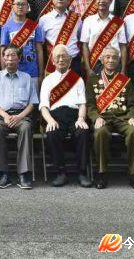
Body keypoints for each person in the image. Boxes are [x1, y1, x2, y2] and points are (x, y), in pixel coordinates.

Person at [86, 47, 134, 190]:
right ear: (102, 59)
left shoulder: (125, 81)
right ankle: (102, 173)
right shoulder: (92, 80)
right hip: (103, 118)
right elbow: (90, 105)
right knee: (100, 133)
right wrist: (96, 118)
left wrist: (133, 117)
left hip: (123, 118)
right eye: (107, 57)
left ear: (118, 60)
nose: (111, 60)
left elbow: (133, 105)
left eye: (114, 57)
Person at [0, 45, 38, 189]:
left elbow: (33, 102)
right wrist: (4, 115)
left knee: (26, 128)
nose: (10, 58)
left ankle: (24, 174)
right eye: (7, 55)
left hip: (22, 115)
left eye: (13, 55)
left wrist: (19, 116)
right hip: (1, 115)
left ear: (19, 58)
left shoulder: (26, 77)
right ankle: (2, 174)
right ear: (3, 58)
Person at [39, 44, 91, 188]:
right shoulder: (47, 80)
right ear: (53, 61)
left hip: (74, 115)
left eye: (64, 57)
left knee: (83, 131)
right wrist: (50, 120)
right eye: (57, 57)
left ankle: (82, 173)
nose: (61, 59)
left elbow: (82, 103)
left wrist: (81, 118)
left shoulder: (77, 79)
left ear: (70, 60)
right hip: (55, 116)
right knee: (52, 132)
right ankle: (60, 173)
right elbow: (43, 106)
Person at [0, 0, 44, 91]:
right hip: (13, 72)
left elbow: (39, 51)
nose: (20, 7)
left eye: (23, 4)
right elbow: (3, 51)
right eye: (18, 4)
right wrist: (4, 72)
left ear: (28, 7)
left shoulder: (34, 26)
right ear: (12, 6)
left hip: (32, 73)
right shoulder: (6, 27)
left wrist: (41, 74)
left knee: (33, 99)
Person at [81, 0, 127, 77]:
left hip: (114, 63)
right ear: (95, 0)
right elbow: (85, 45)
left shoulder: (118, 22)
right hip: (95, 63)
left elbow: (123, 46)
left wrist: (123, 70)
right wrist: (88, 68)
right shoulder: (88, 21)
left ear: (111, 1)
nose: (101, 1)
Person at [38, 0, 82, 75]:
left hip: (74, 62)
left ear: (68, 0)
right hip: (53, 63)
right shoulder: (44, 19)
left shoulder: (76, 19)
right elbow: (41, 45)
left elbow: (80, 40)